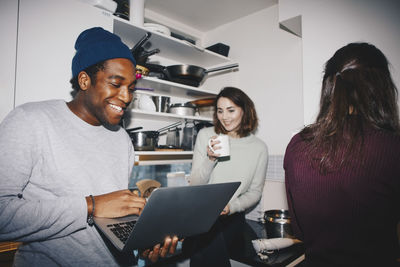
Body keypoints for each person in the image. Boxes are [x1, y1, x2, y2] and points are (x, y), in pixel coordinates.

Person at [0, 27, 177, 266]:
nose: (126, 97)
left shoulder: (122, 139)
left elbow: (112, 215)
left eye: (131, 88)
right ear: (85, 80)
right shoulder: (30, 120)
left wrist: (143, 241)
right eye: (116, 84)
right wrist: (90, 205)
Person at [284, 42, 400, 267]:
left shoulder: (298, 144)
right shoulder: (392, 147)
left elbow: (299, 228)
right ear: (382, 87)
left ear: (329, 86)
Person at [186, 86, 268, 266]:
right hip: (203, 215)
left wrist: (232, 206)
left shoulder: (259, 148)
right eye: (220, 111)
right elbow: (195, 185)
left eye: (231, 110)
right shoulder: (206, 135)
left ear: (245, 110)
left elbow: (255, 192)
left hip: (233, 216)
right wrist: (210, 159)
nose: (225, 117)